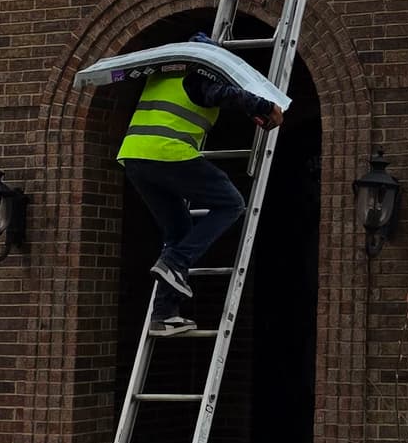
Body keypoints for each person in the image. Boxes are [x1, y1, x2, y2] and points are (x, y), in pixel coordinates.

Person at [117, 44, 283, 333]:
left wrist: (250, 113)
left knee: (178, 232)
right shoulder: (198, 72)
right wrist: (266, 107)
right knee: (231, 203)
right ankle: (175, 261)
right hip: (168, 153)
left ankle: (164, 315)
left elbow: (199, 97)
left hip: (135, 159)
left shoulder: (163, 72)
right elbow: (222, 93)